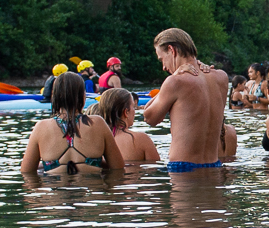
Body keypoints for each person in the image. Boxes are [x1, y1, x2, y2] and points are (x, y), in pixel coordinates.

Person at [143, 27, 234, 170]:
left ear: (172, 50)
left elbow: (149, 117)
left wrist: (172, 79)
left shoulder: (176, 81)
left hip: (183, 166)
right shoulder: (221, 77)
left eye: (162, 59)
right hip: (214, 165)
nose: (163, 67)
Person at [22, 72, 123, 179]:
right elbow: (118, 168)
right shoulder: (98, 123)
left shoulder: (41, 127)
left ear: (54, 97)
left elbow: (27, 173)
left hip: (55, 193)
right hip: (92, 192)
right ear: (82, 96)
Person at [92, 88, 160, 164]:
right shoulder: (141, 139)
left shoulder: (95, 140)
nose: (134, 111)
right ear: (126, 112)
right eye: (133, 107)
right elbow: (154, 169)